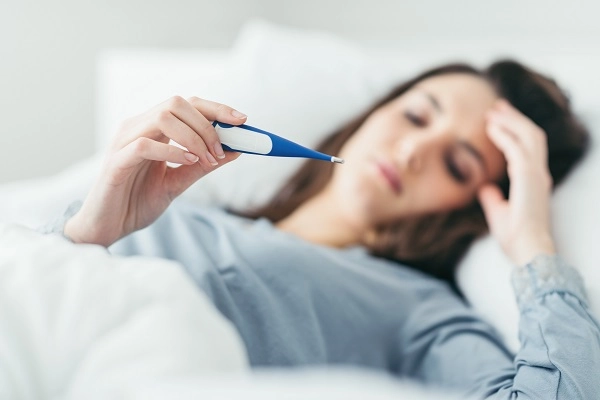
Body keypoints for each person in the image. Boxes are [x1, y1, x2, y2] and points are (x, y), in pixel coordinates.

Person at [45, 60, 600, 398]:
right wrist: (88, 235)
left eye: (457, 164)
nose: (411, 152)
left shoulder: (420, 309)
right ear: (374, 112)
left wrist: (535, 247)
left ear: (472, 204)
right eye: (415, 116)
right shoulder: (170, 206)